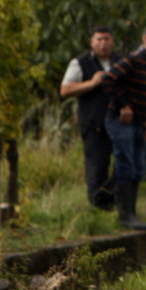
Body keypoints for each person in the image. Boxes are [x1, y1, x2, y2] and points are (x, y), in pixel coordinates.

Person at [101, 19, 146, 230]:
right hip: (120, 120)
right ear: (145, 39)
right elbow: (108, 80)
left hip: (140, 122)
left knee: (138, 167)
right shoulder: (134, 59)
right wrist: (124, 105)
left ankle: (132, 213)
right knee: (125, 163)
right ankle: (124, 216)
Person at [59, 26, 121, 210]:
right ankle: (98, 208)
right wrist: (92, 83)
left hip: (119, 123)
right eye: (99, 39)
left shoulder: (120, 61)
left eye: (107, 39)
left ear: (113, 41)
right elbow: (65, 90)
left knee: (126, 162)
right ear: (91, 42)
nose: (103, 44)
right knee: (97, 169)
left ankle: (112, 201)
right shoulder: (80, 63)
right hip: (94, 124)